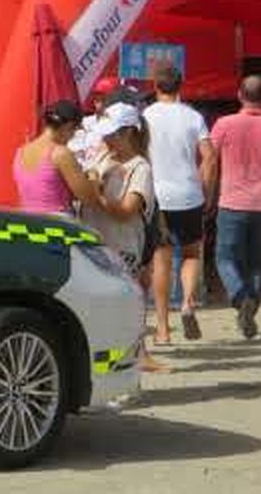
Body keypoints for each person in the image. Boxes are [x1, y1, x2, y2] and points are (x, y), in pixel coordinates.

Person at [76, 102, 168, 370]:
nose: (106, 139)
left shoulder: (141, 168)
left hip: (122, 251)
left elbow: (127, 210)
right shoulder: (103, 157)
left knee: (115, 319)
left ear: (128, 133)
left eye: (112, 134)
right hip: (96, 247)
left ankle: (119, 374)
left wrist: (95, 195)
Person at [143, 64, 215, 343]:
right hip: (189, 194)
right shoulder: (194, 117)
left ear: (155, 86)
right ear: (180, 85)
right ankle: (186, 302)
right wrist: (206, 190)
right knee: (191, 254)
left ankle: (162, 329)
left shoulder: (145, 116)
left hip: (158, 196)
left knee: (160, 261)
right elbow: (209, 156)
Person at [209, 75, 261, 340]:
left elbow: (210, 161)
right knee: (255, 261)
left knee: (225, 257)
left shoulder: (223, 124)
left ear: (240, 95)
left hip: (232, 202)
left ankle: (241, 298)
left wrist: (207, 192)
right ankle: (249, 304)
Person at [13, 100, 95, 216]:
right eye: (74, 131)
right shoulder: (61, 153)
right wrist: (93, 178)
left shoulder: (20, 152)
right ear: (68, 126)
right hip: (56, 224)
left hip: (27, 222)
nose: (72, 137)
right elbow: (88, 198)